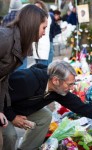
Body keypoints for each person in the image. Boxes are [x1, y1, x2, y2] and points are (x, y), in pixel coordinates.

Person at [3, 60, 92, 150]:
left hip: (20, 109)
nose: (71, 88)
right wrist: (12, 117)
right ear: (55, 80)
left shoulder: (57, 90)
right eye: (69, 84)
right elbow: (2, 95)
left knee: (45, 116)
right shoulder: (27, 80)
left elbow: (79, 106)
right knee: (10, 135)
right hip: (2, 109)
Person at [0, 4, 48, 149]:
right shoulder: (4, 38)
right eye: (44, 27)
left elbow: (3, 80)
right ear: (33, 25)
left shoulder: (21, 44)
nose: (45, 33)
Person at [32, 0, 52, 66]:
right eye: (35, 7)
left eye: (38, 7)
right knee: (37, 68)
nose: (36, 9)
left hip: (43, 46)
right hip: (35, 46)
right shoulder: (34, 17)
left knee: (42, 69)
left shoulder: (46, 17)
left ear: (42, 7)